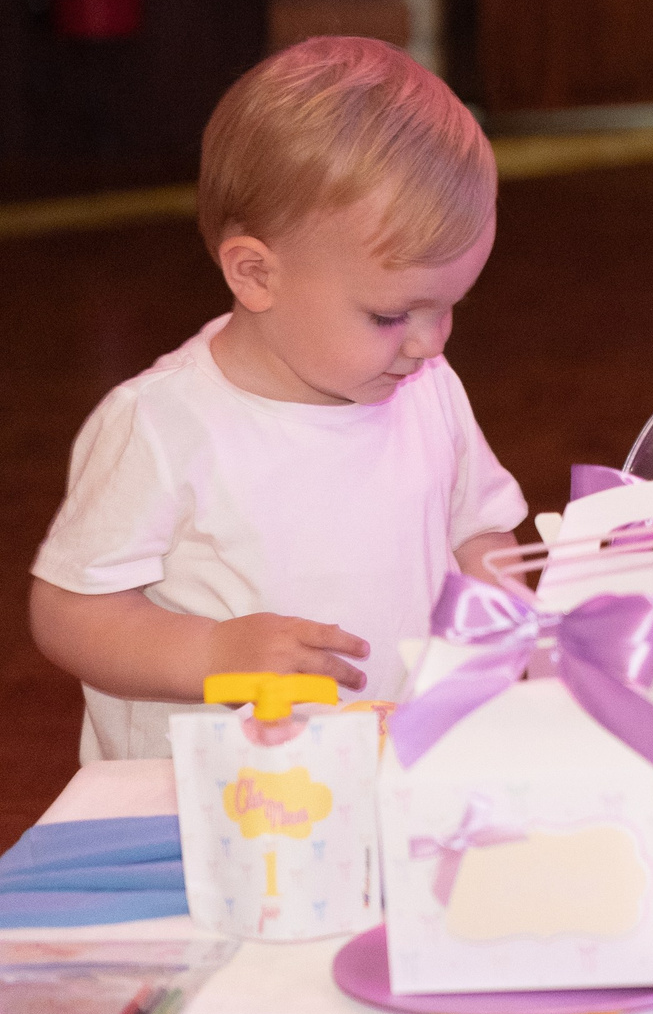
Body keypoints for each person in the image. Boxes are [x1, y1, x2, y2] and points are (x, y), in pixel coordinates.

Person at [28, 38, 526, 761]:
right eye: (391, 315)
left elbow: (480, 536)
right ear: (256, 273)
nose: (429, 343)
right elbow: (68, 613)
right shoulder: (165, 424)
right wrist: (213, 651)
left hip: (386, 776)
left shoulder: (429, 390)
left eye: (448, 305)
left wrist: (513, 637)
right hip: (197, 813)